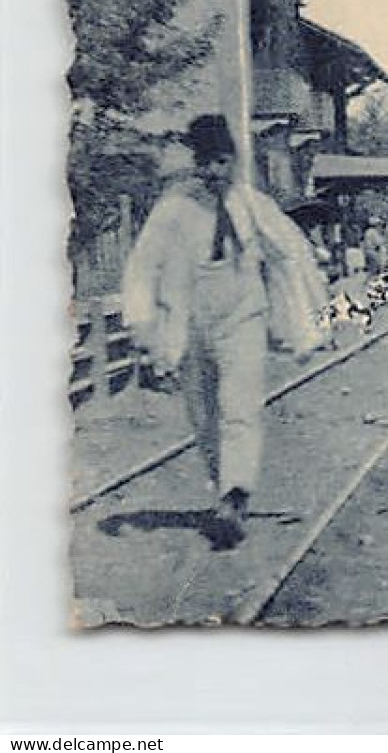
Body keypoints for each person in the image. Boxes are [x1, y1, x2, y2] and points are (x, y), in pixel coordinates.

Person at [121, 115, 325, 551]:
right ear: (194, 164)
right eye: (205, 164)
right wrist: (142, 324)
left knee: (240, 406)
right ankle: (224, 486)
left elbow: (290, 252)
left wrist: (305, 321)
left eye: (221, 162)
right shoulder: (173, 210)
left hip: (242, 320)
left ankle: (235, 495)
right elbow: (143, 266)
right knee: (203, 416)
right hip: (191, 325)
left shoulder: (250, 205)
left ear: (233, 161)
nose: (214, 173)